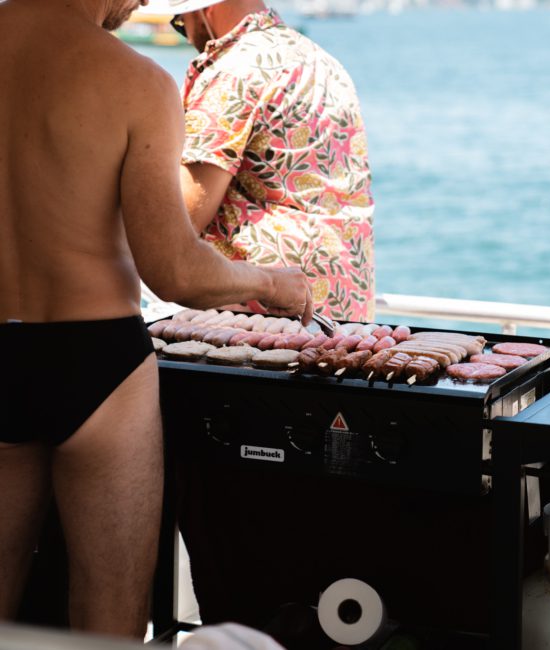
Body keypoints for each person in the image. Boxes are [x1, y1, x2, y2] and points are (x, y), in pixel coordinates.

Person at [0, 0, 312, 640]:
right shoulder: (137, 81)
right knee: (109, 616)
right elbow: (174, 272)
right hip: (95, 361)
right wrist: (271, 283)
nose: (143, 2)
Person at [160, 0, 375, 322]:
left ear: (206, 9)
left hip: (264, 314)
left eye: (180, 22)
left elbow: (181, 218)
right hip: (345, 306)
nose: (190, 38)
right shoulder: (321, 61)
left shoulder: (233, 71)